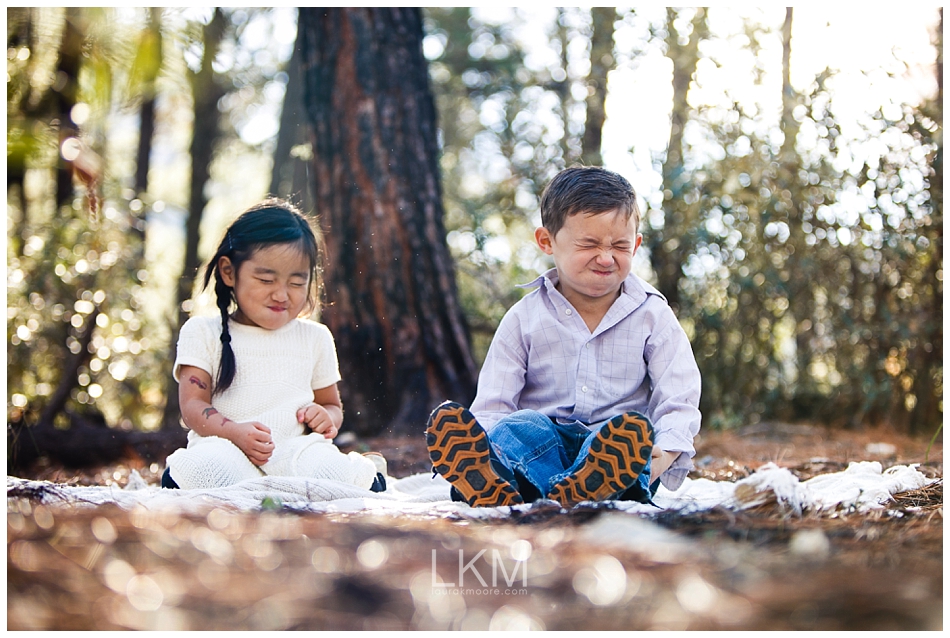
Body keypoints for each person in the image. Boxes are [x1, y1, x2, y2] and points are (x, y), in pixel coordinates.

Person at [426, 166, 701, 507]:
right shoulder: (523, 319)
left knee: (628, 432)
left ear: (637, 245)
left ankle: (595, 482)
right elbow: (494, 405)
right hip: (542, 451)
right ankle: (492, 477)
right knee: (521, 426)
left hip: (615, 452)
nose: (605, 257)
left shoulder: (653, 316)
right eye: (588, 244)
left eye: (620, 246)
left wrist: (665, 454)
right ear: (546, 241)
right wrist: (487, 444)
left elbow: (679, 397)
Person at [162, 199, 386, 492]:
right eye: (266, 279)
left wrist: (326, 417)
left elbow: (331, 404)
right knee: (201, 470)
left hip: (297, 453)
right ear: (229, 272)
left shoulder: (315, 337)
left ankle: (368, 471)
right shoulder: (203, 331)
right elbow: (193, 405)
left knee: (345, 476)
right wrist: (235, 433)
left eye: (296, 282)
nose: (282, 294)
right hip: (228, 448)